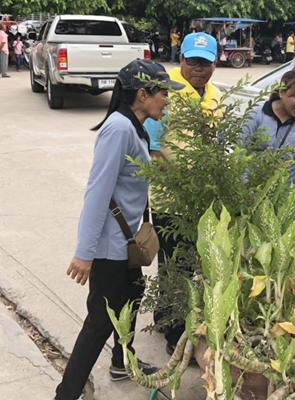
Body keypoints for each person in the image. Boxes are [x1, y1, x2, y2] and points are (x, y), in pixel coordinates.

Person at [53, 60, 184, 400]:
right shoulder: (118, 129)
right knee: (100, 321)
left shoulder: (136, 126)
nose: (167, 100)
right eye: (163, 93)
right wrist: (85, 253)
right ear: (142, 94)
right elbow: (97, 193)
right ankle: (65, 394)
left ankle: (121, 363)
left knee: (132, 301)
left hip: (126, 241)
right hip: (109, 246)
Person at [143, 32, 222, 355]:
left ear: (215, 64)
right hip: (171, 201)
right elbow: (152, 147)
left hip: (202, 200)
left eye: (205, 62)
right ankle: (175, 335)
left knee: (191, 263)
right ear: (181, 60)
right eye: (192, 61)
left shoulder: (215, 95)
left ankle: (166, 317)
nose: (198, 68)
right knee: (175, 266)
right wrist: (179, 185)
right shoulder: (166, 93)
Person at [242, 70, 295, 187]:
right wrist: (245, 186)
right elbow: (240, 149)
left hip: (285, 193)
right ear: (282, 92)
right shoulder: (256, 114)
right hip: (251, 189)